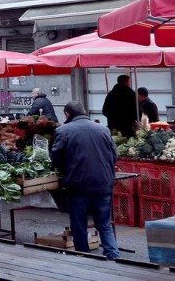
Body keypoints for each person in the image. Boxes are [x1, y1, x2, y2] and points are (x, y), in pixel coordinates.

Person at [51, 101, 120, 260]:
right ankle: (113, 256)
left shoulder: (63, 130)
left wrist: (65, 169)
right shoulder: (103, 129)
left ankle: (84, 257)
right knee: (104, 223)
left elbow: (56, 159)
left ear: (68, 114)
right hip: (103, 184)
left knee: (79, 224)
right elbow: (114, 156)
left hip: (78, 185)